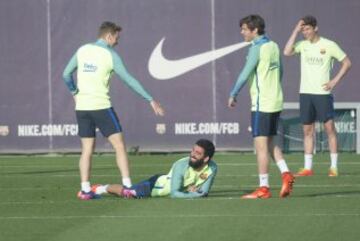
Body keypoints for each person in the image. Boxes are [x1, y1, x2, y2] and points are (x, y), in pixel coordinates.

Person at [62, 21, 165, 200]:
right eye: (116, 38)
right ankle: (127, 187)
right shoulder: (110, 55)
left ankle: (85, 190)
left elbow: (65, 74)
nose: (117, 41)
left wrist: (74, 92)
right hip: (101, 107)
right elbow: (129, 80)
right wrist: (150, 99)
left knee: (86, 150)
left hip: (82, 108)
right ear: (109, 36)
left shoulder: (82, 50)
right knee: (119, 146)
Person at [228, 15, 294, 199]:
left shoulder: (257, 48)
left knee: (261, 147)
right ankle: (287, 174)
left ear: (255, 30)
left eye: (244, 29)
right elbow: (281, 71)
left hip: (261, 103)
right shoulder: (274, 45)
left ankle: (263, 188)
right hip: (275, 101)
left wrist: (233, 93)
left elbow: (244, 73)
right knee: (271, 142)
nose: (242, 33)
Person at [283, 16, 351, 177]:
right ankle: (308, 168)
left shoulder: (329, 45)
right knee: (307, 130)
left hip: (323, 94)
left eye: (307, 29)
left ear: (315, 28)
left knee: (329, 129)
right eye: (303, 30)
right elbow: (286, 52)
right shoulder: (302, 45)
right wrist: (295, 30)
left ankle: (333, 167)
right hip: (305, 93)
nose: (305, 32)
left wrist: (334, 81)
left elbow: (347, 63)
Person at [92, 139, 217, 199]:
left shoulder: (212, 168)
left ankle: (100, 189)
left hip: (167, 182)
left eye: (198, 153)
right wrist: (193, 194)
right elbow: (174, 193)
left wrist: (195, 190)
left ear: (206, 159)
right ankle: (99, 188)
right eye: (193, 150)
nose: (192, 154)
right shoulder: (181, 165)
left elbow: (204, 192)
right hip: (155, 186)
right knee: (127, 193)